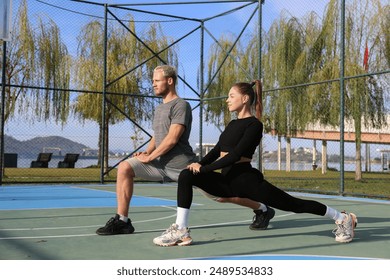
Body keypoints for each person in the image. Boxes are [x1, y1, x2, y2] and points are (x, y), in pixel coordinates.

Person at [153, 80, 357, 246]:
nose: (227, 100)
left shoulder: (254, 125)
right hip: (227, 181)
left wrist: (204, 169)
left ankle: (342, 218)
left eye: (231, 96)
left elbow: (234, 156)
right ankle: (181, 229)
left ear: (245, 98)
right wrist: (197, 165)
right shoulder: (232, 123)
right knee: (186, 175)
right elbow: (216, 150)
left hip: (246, 181)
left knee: (294, 205)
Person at [96, 65, 268, 235]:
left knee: (222, 197)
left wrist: (149, 158)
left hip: (182, 166)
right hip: (160, 164)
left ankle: (262, 208)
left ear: (169, 81)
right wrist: (147, 153)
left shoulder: (181, 105)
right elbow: (158, 136)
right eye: (153, 81)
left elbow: (172, 138)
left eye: (157, 80)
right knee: (125, 167)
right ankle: (122, 221)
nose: (153, 84)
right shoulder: (159, 108)